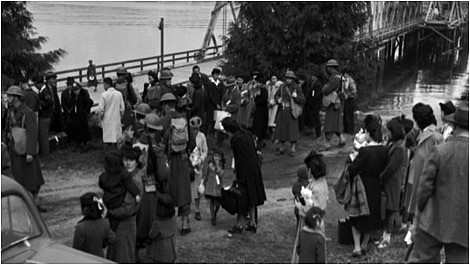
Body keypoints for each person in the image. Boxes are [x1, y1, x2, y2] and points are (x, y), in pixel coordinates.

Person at [407, 101, 469, 263]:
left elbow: (424, 187)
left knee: (422, 259)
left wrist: (419, 212)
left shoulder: (441, 151)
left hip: (433, 218)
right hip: (464, 223)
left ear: (454, 126)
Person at [347, 115, 388, 257]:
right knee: (372, 215)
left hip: (363, 185)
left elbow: (353, 169)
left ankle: (357, 247)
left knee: (357, 216)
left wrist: (352, 161)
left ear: (369, 134)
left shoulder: (365, 151)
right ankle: (364, 244)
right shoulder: (384, 150)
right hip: (376, 184)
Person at [221, 117, 266, 234]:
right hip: (254, 170)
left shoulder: (236, 140)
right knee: (252, 197)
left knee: (241, 199)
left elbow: (239, 159)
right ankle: (252, 222)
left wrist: (237, 176)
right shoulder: (247, 134)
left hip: (244, 172)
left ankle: (239, 224)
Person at [404, 103, 443, 236]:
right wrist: (415, 130)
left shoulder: (435, 137)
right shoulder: (421, 133)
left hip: (423, 178)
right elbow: (407, 142)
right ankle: (413, 228)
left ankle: (416, 230)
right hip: (415, 176)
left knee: (420, 205)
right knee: (413, 204)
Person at [5, 86, 46, 212]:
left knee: (33, 179)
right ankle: (26, 203)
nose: (8, 98)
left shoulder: (28, 113)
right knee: (19, 178)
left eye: (11, 96)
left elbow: (32, 134)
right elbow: (6, 129)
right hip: (14, 149)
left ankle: (35, 202)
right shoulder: (9, 112)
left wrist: (30, 153)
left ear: (17, 98)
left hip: (26, 151)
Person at [160, 92, 196, 236]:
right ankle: (185, 224)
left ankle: (167, 224)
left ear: (165, 105)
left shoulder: (163, 121)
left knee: (167, 191)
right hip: (182, 159)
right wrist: (185, 151)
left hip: (168, 160)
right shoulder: (183, 119)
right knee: (184, 191)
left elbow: (159, 141)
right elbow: (192, 142)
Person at [99, 150, 141, 263]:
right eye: (125, 159)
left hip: (125, 223)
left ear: (137, 162)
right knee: (115, 252)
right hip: (118, 221)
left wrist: (110, 211)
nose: (127, 163)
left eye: (131, 160)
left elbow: (127, 209)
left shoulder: (134, 180)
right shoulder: (122, 176)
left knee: (123, 254)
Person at [377, 118, 408, 249]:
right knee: (387, 207)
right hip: (390, 181)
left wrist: (382, 177)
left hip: (393, 182)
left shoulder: (399, 148)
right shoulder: (394, 144)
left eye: (389, 130)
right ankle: (384, 235)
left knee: (390, 209)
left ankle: (387, 236)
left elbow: (392, 167)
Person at [73, 192, 116, 258]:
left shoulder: (80, 228)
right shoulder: (104, 223)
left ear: (84, 209)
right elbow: (112, 239)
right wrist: (102, 244)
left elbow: (76, 251)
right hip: (99, 259)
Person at [274, 70, 306, 156]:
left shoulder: (297, 87)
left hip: (292, 110)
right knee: (281, 130)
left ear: (293, 79)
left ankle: (293, 149)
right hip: (283, 110)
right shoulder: (282, 87)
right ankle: (281, 148)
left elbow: (303, 99)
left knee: (293, 131)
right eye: (287, 78)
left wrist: (296, 97)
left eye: (290, 78)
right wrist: (278, 99)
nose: (288, 80)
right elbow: (276, 95)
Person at [62, 77, 94, 152]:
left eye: (77, 90)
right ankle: (78, 143)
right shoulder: (72, 95)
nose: (75, 92)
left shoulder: (84, 94)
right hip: (75, 115)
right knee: (76, 129)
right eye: (74, 90)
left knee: (83, 129)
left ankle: (84, 144)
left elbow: (89, 102)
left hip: (82, 114)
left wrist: (86, 110)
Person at [148, 191, 177, 263]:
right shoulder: (174, 218)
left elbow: (151, 235)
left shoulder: (157, 223)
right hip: (171, 249)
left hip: (160, 252)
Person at [322, 59, 345, 147]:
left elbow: (327, 90)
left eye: (329, 67)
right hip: (338, 101)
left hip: (333, 101)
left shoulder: (334, 78)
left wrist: (324, 88)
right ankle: (341, 138)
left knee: (329, 122)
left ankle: (327, 143)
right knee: (337, 121)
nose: (328, 69)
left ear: (331, 68)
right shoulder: (339, 77)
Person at [189, 116, 208, 221]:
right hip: (190, 164)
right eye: (194, 129)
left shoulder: (202, 137)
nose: (195, 131)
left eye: (197, 129)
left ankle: (197, 209)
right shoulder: (187, 137)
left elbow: (205, 151)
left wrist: (201, 159)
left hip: (199, 165)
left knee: (198, 188)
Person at [99, 77, 125, 152]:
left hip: (106, 120)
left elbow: (101, 109)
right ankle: (117, 154)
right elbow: (122, 108)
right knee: (116, 138)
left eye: (104, 84)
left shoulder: (103, 95)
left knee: (106, 139)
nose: (103, 86)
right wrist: (121, 116)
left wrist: (100, 118)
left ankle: (106, 155)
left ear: (107, 84)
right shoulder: (119, 94)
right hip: (116, 119)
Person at [202, 148, 226, 226]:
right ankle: (213, 217)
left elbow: (221, 174)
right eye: (215, 156)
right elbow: (206, 174)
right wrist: (204, 183)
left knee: (218, 203)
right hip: (210, 186)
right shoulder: (210, 164)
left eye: (218, 156)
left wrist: (218, 166)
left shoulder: (222, 165)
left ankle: (215, 213)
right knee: (212, 202)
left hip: (218, 186)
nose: (216, 158)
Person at [216, 76, 241, 147]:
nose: (228, 87)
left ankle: (233, 145)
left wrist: (227, 108)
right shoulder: (227, 91)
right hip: (224, 114)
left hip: (232, 115)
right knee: (220, 129)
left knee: (231, 131)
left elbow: (237, 106)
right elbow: (223, 99)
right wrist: (222, 105)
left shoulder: (237, 93)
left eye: (229, 86)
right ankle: (218, 144)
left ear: (233, 85)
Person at [204, 68, 224, 136]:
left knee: (216, 119)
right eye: (215, 75)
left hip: (218, 103)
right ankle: (208, 132)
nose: (217, 76)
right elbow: (210, 95)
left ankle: (214, 132)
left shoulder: (220, 84)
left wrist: (220, 103)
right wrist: (216, 103)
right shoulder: (209, 84)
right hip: (211, 104)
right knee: (210, 118)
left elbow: (222, 93)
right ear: (212, 75)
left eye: (218, 75)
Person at [37, 74, 53, 157]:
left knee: (44, 136)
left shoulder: (45, 91)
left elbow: (49, 102)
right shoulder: (42, 91)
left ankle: (45, 153)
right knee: (42, 135)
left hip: (45, 116)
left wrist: (40, 103)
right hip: (44, 116)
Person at [251, 77, 269, 149]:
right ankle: (256, 142)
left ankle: (260, 143)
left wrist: (257, 100)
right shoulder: (257, 90)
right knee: (256, 127)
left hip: (262, 111)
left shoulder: (264, 90)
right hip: (258, 111)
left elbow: (263, 100)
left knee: (260, 127)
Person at [266, 76, 281, 140]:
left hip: (275, 105)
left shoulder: (278, 87)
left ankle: (275, 136)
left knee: (274, 121)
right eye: (272, 79)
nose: (273, 80)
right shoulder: (269, 86)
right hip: (269, 104)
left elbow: (278, 96)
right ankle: (269, 135)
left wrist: (273, 102)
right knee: (269, 120)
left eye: (275, 79)